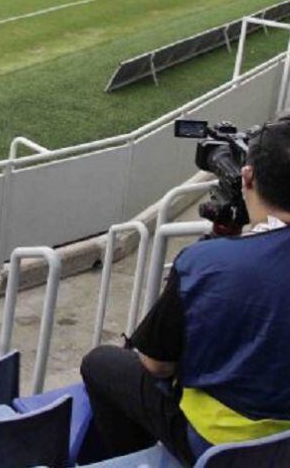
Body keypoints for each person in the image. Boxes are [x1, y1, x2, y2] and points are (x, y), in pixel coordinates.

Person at [81, 114, 290, 465]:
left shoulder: (205, 264)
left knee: (101, 363)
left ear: (247, 177)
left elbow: (155, 365)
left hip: (217, 448)